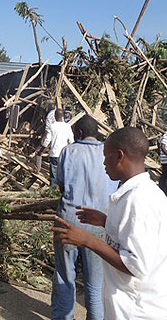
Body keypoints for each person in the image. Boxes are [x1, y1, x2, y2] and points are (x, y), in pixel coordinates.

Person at [52, 127, 167, 320]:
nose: (103, 163)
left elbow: (136, 265)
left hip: (139, 310)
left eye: (105, 156)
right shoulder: (138, 194)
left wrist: (88, 241)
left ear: (119, 156)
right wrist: (105, 221)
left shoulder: (139, 201)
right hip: (129, 306)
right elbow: (133, 235)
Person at [51, 115, 118, 320]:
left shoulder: (68, 151)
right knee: (95, 284)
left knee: (64, 276)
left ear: (78, 133)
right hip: (99, 222)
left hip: (68, 220)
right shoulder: (107, 153)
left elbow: (61, 185)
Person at [37, 108, 74, 185]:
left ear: (54, 116)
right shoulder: (67, 126)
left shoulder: (52, 126)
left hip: (54, 154)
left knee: (54, 176)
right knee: (64, 175)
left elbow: (47, 141)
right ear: (63, 116)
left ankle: (53, 192)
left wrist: (41, 151)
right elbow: (71, 141)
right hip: (64, 155)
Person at [158, 123, 167, 196]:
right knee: (164, 176)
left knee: (164, 176)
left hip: (166, 161)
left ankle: (163, 192)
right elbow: (162, 146)